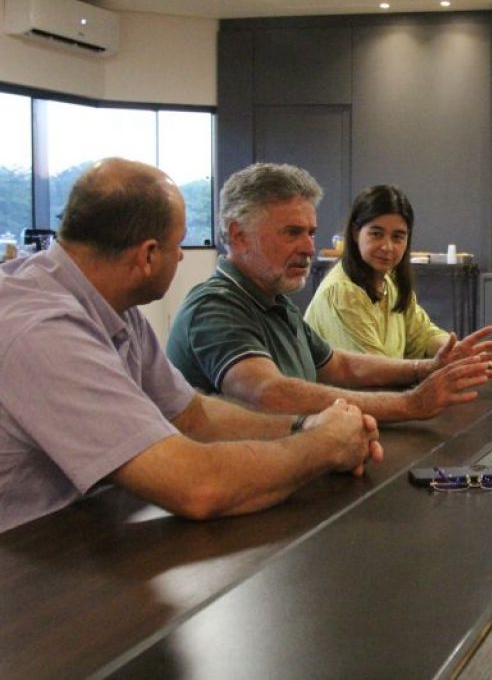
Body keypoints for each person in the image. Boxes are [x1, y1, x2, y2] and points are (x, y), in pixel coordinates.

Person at [0, 158, 382, 533]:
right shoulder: (42, 330)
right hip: (26, 568)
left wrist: (305, 425)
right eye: (178, 244)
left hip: (75, 539)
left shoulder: (115, 308)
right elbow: (196, 486)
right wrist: (325, 445)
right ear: (148, 255)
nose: (183, 256)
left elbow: (192, 416)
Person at [168, 163, 492, 422]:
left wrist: (424, 369)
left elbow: (338, 365)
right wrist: (411, 403)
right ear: (238, 236)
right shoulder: (216, 306)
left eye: (311, 233)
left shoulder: (276, 302)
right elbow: (269, 393)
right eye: (292, 233)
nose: (308, 247)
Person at [304, 184, 450, 358]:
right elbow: (371, 373)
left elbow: (424, 335)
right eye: (376, 234)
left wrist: (457, 352)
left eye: (397, 237)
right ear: (356, 233)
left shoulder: (390, 281)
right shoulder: (343, 293)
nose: (387, 247)